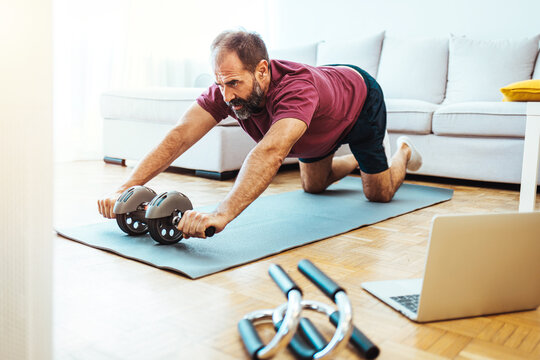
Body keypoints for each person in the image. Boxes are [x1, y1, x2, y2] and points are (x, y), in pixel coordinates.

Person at [97, 29, 422, 239]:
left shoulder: (297, 91)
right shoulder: (226, 88)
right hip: (320, 124)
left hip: (359, 103)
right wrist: (125, 189)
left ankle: (402, 152)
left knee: (377, 194)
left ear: (263, 71)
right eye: (220, 83)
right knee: (314, 186)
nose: (226, 95)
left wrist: (222, 212)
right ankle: (353, 160)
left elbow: (270, 152)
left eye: (234, 83)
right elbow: (181, 134)